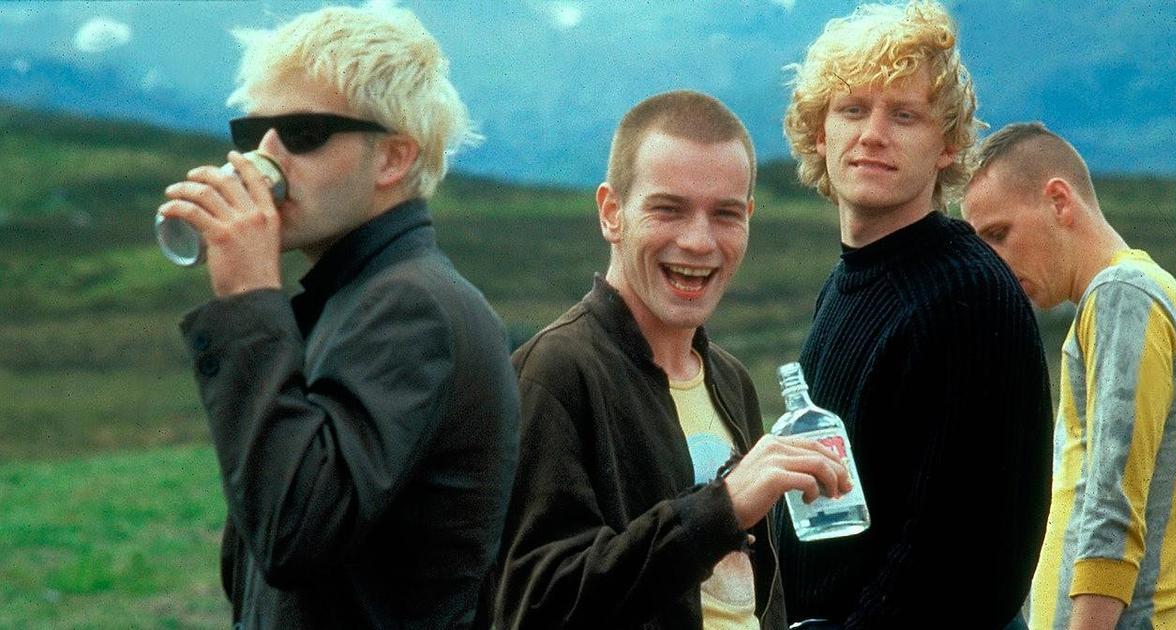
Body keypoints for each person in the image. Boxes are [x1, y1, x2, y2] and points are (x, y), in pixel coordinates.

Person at [156, 5, 519, 627]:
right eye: (253, 133)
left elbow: (291, 531)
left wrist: (247, 298)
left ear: (393, 159)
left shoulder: (410, 307)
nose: (264, 158)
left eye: (303, 132)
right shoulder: (356, 297)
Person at [494, 90, 852, 629]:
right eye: (669, 209)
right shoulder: (554, 373)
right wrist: (721, 510)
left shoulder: (730, 379)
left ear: (749, 218)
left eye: (726, 214)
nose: (699, 241)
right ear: (611, 213)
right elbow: (537, 606)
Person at [776, 1, 1054, 627]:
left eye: (904, 115)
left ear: (947, 145)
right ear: (821, 133)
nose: (873, 134)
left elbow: (959, 557)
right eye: (853, 110)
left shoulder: (965, 296)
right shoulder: (849, 282)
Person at [962, 122, 1176, 630]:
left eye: (999, 235)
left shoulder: (1124, 294)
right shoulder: (1121, 298)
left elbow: (1113, 505)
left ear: (1059, 201)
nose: (993, 264)